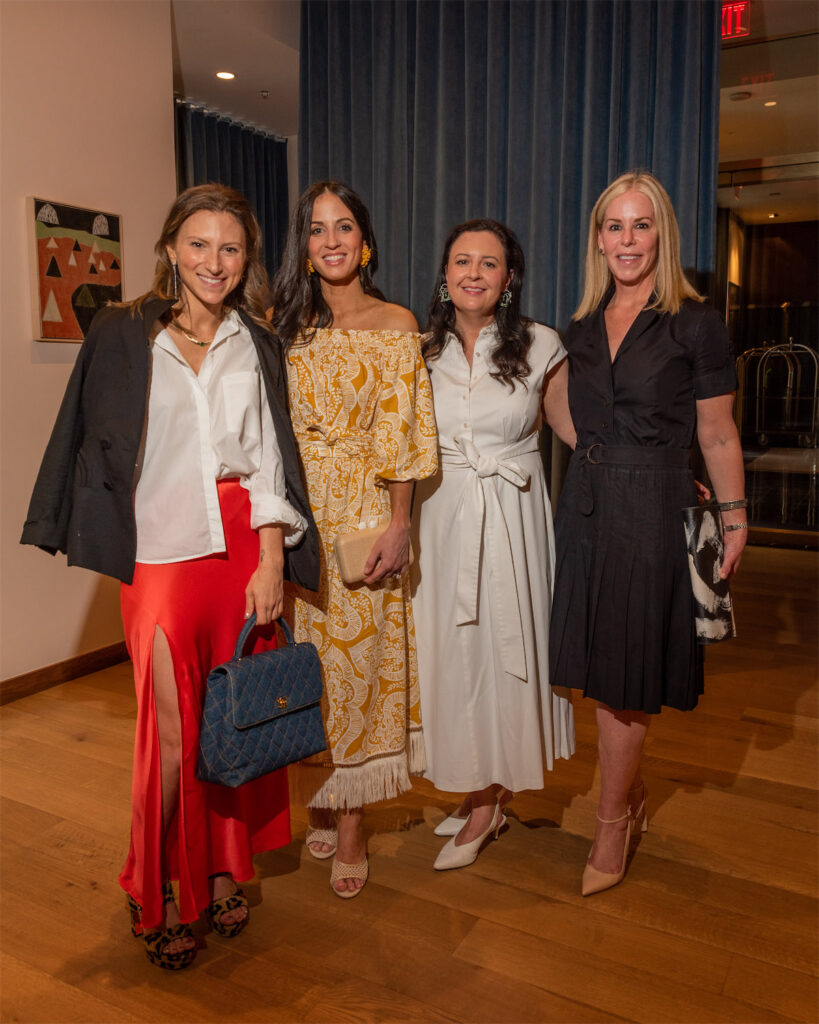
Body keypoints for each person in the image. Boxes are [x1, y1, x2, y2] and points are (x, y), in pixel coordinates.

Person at [21, 184, 319, 967]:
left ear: (246, 258)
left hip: (236, 551)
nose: (212, 262)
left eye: (229, 247)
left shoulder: (254, 340)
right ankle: (156, 883)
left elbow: (266, 459)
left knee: (231, 720)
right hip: (156, 554)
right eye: (198, 244)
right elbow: (87, 436)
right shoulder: (123, 333)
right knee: (174, 734)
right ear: (170, 248)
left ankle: (223, 868)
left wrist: (271, 559)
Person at [549, 171, 747, 896]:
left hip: (652, 511)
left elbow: (717, 431)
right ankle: (623, 797)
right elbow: (560, 409)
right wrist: (604, 448)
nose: (625, 241)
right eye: (613, 227)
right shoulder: (579, 324)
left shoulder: (693, 322)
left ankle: (610, 821)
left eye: (639, 226)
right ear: (597, 238)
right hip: (589, 503)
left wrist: (732, 516)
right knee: (598, 665)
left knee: (623, 682)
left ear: (660, 233)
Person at [270, 181, 437, 898]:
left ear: (364, 241)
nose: (331, 240)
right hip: (295, 518)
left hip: (364, 515)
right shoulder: (281, 328)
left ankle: (351, 825)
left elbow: (404, 435)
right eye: (316, 229)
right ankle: (320, 795)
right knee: (309, 668)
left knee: (360, 670)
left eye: (343, 227)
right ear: (304, 247)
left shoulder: (395, 322)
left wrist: (399, 524)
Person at [412, 219, 576, 870]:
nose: (473, 273)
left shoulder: (542, 344)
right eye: (461, 261)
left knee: (503, 651)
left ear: (509, 279)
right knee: (453, 651)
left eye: (488, 263)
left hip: (511, 516)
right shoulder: (418, 348)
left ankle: (487, 805)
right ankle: (477, 787)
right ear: (444, 273)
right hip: (439, 515)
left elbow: (573, 431)